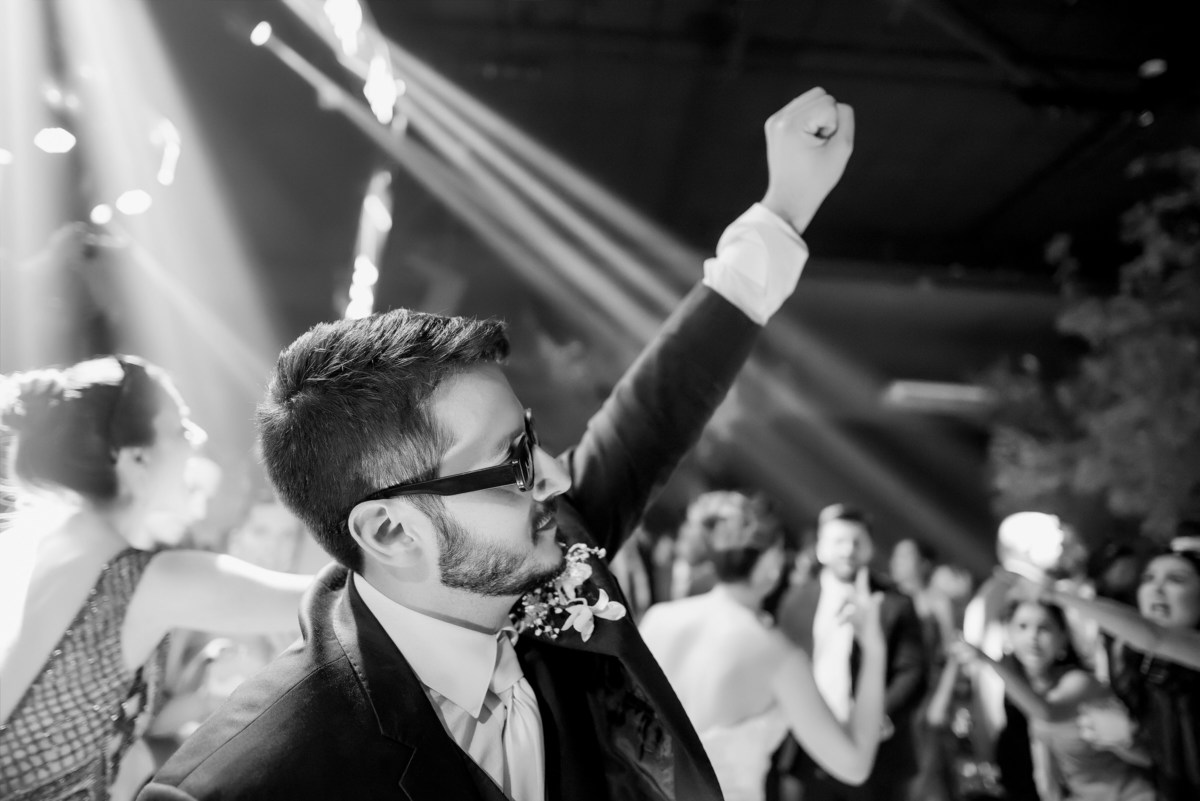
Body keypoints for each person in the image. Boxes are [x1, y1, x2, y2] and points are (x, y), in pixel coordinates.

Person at [138, 86, 856, 801]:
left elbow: (654, 414)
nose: (552, 477)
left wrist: (783, 211)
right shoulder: (245, 785)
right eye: (513, 460)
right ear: (391, 530)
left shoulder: (541, 550)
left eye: (531, 440)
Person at [0, 355, 314, 801]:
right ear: (136, 457)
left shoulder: (36, 546)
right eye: (180, 427)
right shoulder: (146, 579)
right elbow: (331, 595)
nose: (197, 438)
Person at [641, 491, 887, 801]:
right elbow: (854, 765)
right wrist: (875, 650)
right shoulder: (776, 653)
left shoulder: (658, 620)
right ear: (769, 563)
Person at [1012, 535, 1200, 800]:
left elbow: (1154, 636)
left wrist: (1053, 593)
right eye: (1148, 578)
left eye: (1176, 579)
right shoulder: (1138, 664)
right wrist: (1125, 740)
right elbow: (1157, 761)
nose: (1156, 589)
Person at [768, 503, 927, 801]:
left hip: (879, 751)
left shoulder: (893, 601)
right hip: (807, 748)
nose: (848, 550)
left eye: (856, 541)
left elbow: (913, 671)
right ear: (821, 548)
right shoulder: (795, 600)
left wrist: (877, 714)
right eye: (839, 541)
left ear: (869, 548)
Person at [954, 597, 1155, 801]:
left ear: (1062, 638)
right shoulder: (1019, 693)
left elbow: (1046, 712)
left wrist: (987, 660)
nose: (1033, 636)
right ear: (1009, 634)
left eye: (1043, 628)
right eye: (1023, 626)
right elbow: (1046, 777)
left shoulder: (1078, 681)